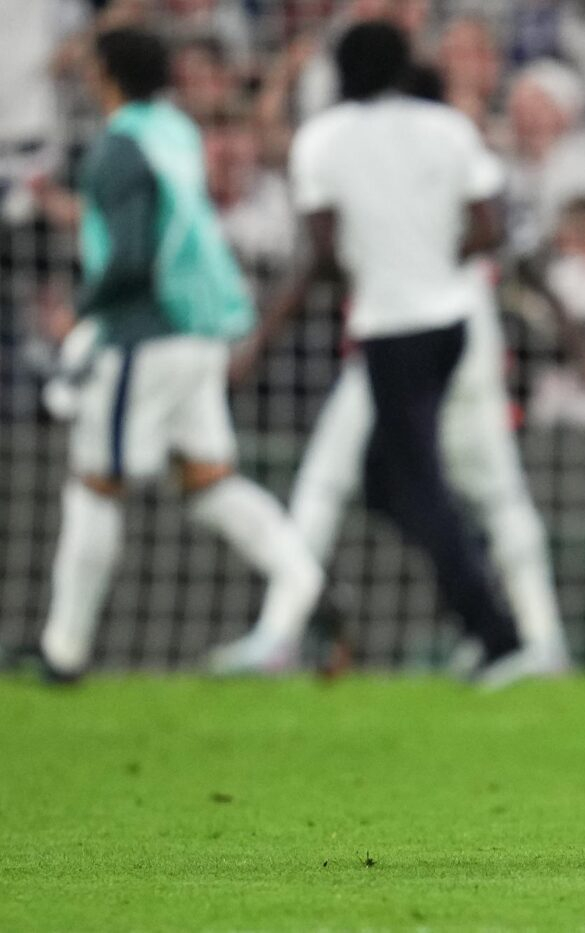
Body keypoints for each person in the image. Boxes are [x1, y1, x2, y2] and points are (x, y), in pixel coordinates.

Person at [216, 20, 525, 682]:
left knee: (416, 483)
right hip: (450, 325)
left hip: (391, 330)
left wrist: (261, 339)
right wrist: (430, 257)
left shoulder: (323, 139)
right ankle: (469, 584)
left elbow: (321, 253)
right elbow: (490, 227)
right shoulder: (447, 127)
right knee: (387, 482)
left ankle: (498, 634)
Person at [34, 27, 325, 681]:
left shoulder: (119, 147)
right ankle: (302, 578)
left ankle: (63, 651)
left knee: (96, 484)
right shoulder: (174, 131)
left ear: (105, 74)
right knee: (208, 479)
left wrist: (83, 309)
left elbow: (131, 256)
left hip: (145, 335)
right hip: (200, 331)